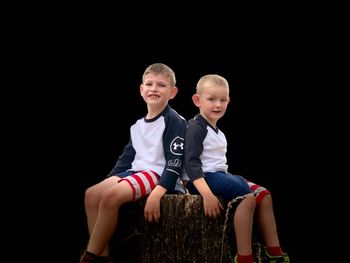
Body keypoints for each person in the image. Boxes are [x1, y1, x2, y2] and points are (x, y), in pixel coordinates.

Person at [80, 63, 187, 263]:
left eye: (161, 85)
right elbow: (125, 161)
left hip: (158, 174)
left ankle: (89, 256)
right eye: (149, 84)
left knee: (111, 197)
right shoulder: (137, 126)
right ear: (141, 89)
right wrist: (109, 180)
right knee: (93, 194)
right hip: (134, 172)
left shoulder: (175, 120)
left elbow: (175, 162)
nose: (154, 88)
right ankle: (102, 256)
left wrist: (157, 193)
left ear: (173, 92)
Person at [183, 74, 290, 263]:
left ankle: (274, 252)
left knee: (263, 195)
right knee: (246, 198)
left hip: (218, 175)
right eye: (212, 99)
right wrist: (207, 195)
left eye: (222, 100)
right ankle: (244, 257)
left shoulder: (218, 132)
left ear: (228, 101)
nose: (218, 104)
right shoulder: (195, 127)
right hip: (200, 179)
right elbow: (190, 164)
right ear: (197, 100)